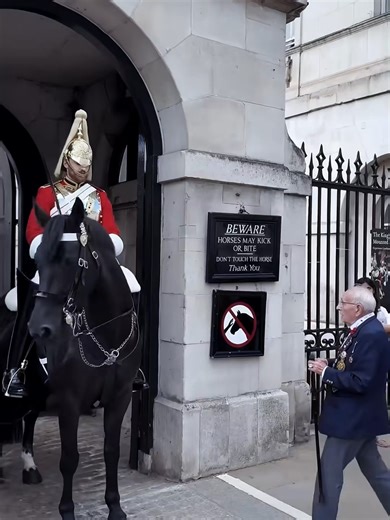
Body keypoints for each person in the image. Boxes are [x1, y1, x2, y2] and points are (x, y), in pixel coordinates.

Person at [2, 109, 140, 398]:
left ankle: (132, 363)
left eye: (87, 165)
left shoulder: (98, 196)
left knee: (131, 285)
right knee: (28, 297)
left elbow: (113, 232)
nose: (84, 170)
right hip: (56, 259)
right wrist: (48, 246)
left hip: (91, 258)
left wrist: (103, 243)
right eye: (79, 164)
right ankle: (16, 369)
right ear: (67, 161)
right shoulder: (46, 193)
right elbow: (33, 232)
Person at [308, 286, 390, 520]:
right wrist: (330, 364)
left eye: (343, 303)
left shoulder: (370, 334)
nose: (339, 308)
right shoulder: (363, 330)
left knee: (328, 478)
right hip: (360, 420)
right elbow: (352, 363)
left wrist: (327, 374)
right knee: (377, 473)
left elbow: (362, 380)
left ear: (357, 308)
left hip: (352, 421)